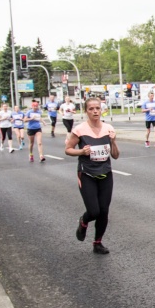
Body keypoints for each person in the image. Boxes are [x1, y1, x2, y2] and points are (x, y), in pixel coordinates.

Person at [65, 96, 119, 255]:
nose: (95, 111)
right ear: (86, 111)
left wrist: (113, 142)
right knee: (94, 211)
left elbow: (115, 155)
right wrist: (82, 151)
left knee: (104, 211)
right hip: (87, 173)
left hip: (105, 173)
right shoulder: (80, 130)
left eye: (97, 108)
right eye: (91, 109)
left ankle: (97, 243)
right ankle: (83, 221)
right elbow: (68, 149)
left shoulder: (108, 128)